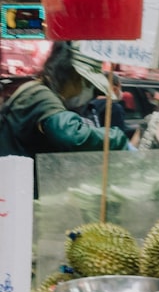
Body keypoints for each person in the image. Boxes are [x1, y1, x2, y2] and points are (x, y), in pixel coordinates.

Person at [0, 42, 131, 197]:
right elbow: (70, 133)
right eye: (87, 84)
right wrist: (116, 138)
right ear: (73, 76)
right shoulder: (40, 96)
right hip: (17, 196)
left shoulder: (35, 91)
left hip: (18, 190)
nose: (88, 91)